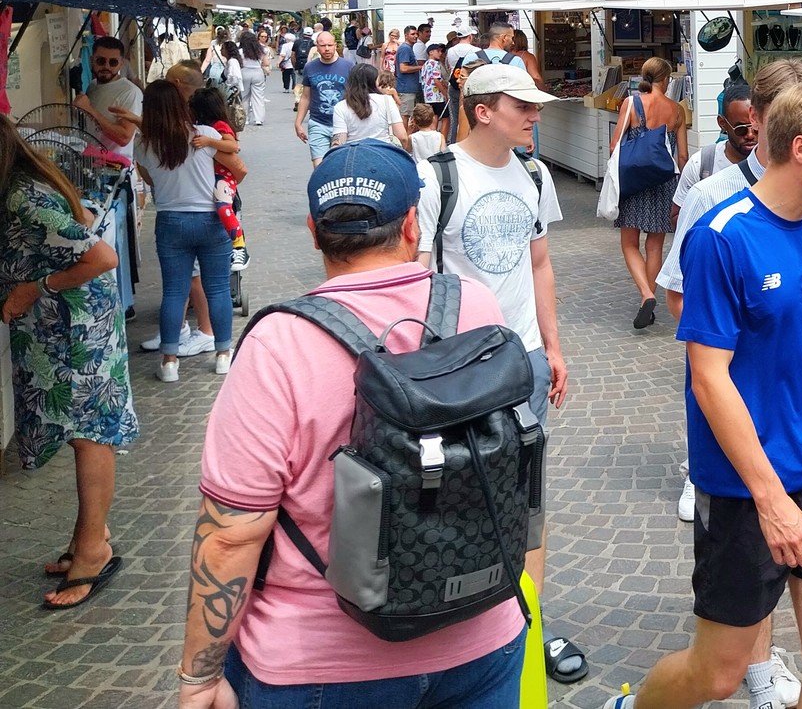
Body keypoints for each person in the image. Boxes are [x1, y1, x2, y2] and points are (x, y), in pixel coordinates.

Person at [176, 140, 527, 709]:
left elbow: (231, 533)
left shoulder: (278, 344)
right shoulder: (476, 306)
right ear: (411, 224)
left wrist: (199, 676)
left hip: (320, 663)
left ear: (314, 234)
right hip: (480, 639)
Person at [603, 80, 802, 709]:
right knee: (718, 674)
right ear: (801, 148)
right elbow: (709, 377)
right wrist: (770, 498)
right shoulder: (720, 236)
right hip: (746, 492)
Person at [415, 62, 582, 684]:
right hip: (458, 369)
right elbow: (417, 274)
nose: (536, 116)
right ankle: (458, 625)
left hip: (525, 362)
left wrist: (553, 348)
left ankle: (528, 626)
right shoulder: (438, 177)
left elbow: (540, 265)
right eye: (523, 106)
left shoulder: (534, 174)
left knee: (527, 499)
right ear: (483, 110)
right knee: (454, 492)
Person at [1, 115, 135, 609]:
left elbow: (102, 258)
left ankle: (94, 550)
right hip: (57, 327)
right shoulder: (19, 187)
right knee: (80, 430)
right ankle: (88, 535)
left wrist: (34, 288)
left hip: (76, 327)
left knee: (88, 433)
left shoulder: (24, 197)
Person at [133, 81, 243, 382]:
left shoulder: (143, 144)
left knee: (174, 291)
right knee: (218, 288)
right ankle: (223, 355)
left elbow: (150, 180)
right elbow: (236, 160)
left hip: (170, 221)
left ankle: (169, 362)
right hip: (210, 219)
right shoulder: (204, 135)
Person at [611, 56, 688, 330]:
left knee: (629, 243)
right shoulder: (677, 110)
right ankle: (649, 296)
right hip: (664, 181)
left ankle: (646, 294)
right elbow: (682, 156)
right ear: (666, 80)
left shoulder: (631, 103)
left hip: (634, 181)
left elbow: (614, 146)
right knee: (654, 245)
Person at [670, 83, 755, 225]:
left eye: (756, 127)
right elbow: (677, 218)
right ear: (722, 123)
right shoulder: (701, 164)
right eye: (741, 129)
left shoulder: (776, 164)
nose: (750, 135)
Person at [190, 87, 251, 271]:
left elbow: (233, 146)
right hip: (210, 175)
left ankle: (239, 245)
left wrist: (209, 142)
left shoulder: (219, 125)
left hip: (223, 175)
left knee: (223, 206)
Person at [73, 36, 142, 162]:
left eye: (113, 62)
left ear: (121, 64)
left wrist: (89, 109)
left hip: (115, 167)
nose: (106, 66)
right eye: (101, 61)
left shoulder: (130, 92)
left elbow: (124, 138)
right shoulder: (93, 86)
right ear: (92, 60)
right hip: (91, 162)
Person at [294, 31, 355, 168]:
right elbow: (306, 97)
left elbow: (356, 95)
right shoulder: (310, 67)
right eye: (322, 46)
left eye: (330, 45)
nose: (326, 49)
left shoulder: (348, 66)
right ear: (317, 47)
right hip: (318, 123)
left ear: (335, 46)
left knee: (340, 166)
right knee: (319, 167)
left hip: (342, 124)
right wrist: (298, 123)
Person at [332, 64, 410, 151]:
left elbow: (339, 142)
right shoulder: (387, 100)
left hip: (354, 153)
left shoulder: (340, 106)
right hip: (384, 152)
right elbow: (402, 137)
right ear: (375, 81)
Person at [237, 30, 268, 126]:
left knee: (244, 97)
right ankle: (259, 119)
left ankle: (245, 118)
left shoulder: (240, 51)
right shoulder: (261, 50)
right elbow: (266, 63)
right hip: (258, 72)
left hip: (244, 72)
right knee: (258, 96)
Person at [420, 40, 450, 136]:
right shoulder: (435, 64)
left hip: (428, 97)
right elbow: (436, 80)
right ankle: (442, 139)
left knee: (434, 118)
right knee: (446, 118)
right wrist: (445, 94)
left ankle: (432, 138)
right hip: (438, 96)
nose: (440, 53)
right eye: (438, 51)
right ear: (431, 52)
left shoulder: (425, 65)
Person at [394, 24, 422, 118]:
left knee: (410, 115)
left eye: (417, 34)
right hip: (406, 89)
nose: (416, 36)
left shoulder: (409, 48)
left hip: (410, 88)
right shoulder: (405, 48)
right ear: (406, 35)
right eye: (412, 34)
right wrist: (420, 67)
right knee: (405, 115)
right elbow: (403, 68)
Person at [277, 27, 297, 92]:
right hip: (294, 63)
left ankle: (286, 88)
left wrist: (278, 62)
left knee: (286, 76)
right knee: (294, 77)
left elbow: (282, 55)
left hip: (286, 64)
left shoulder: (285, 45)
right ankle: (294, 88)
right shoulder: (296, 44)